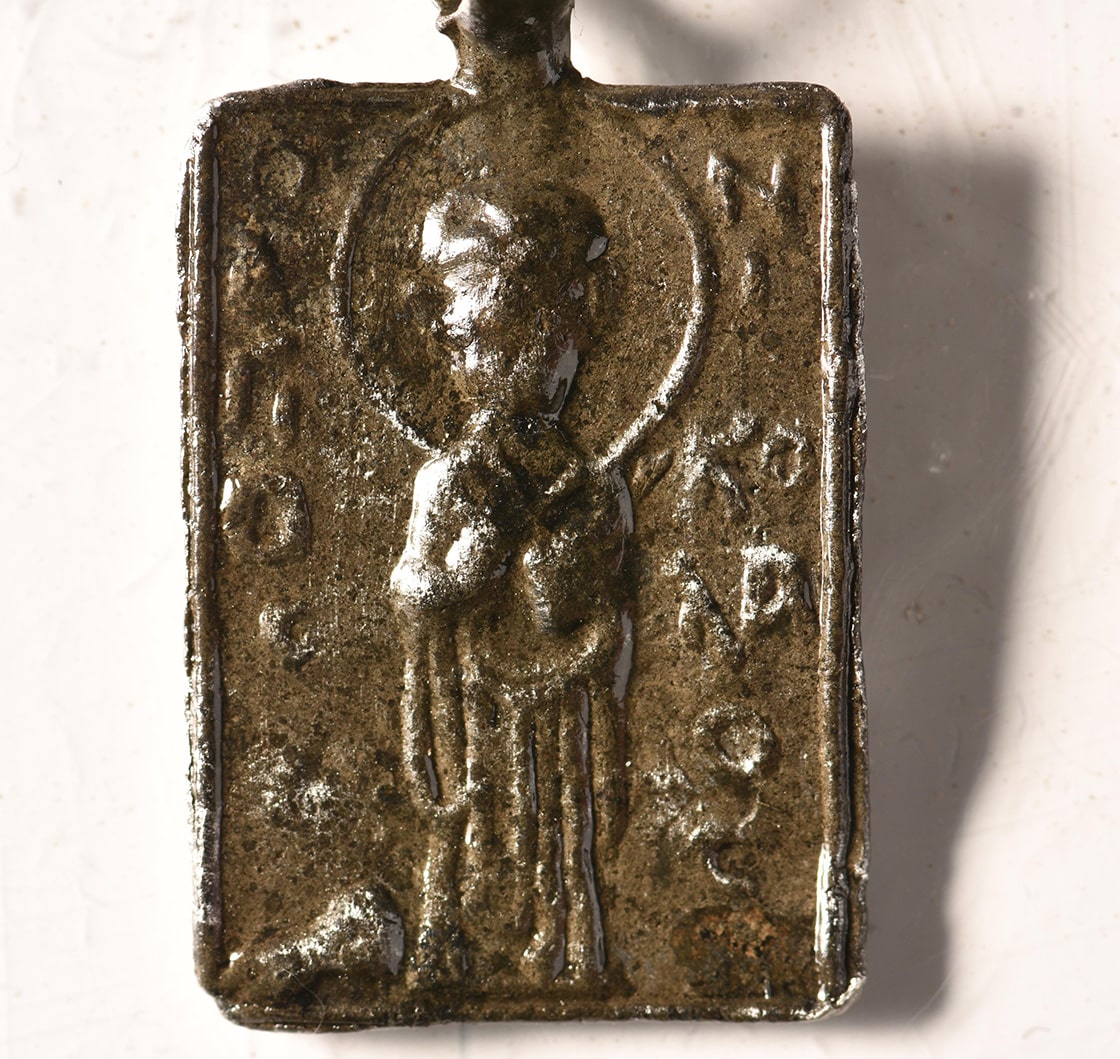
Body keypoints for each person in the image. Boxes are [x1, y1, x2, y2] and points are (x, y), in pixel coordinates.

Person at [388, 178, 632, 987]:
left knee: (559, 827)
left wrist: (564, 569)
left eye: (555, 351)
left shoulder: (586, 484)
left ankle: (570, 945)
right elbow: (409, 588)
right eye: (495, 347)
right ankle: (450, 944)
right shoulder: (448, 480)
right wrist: (464, 571)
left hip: (557, 704)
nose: (536, 372)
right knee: (478, 820)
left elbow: (595, 602)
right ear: (461, 349)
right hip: (473, 700)